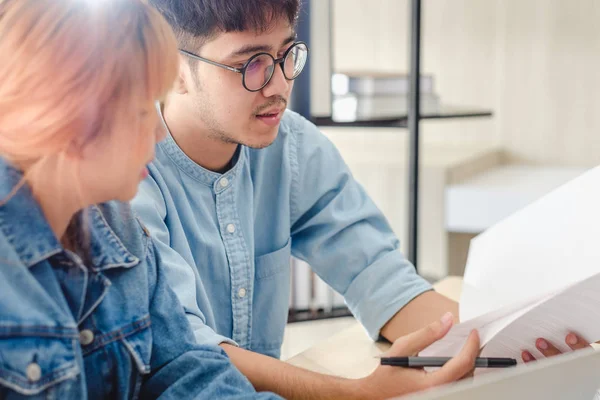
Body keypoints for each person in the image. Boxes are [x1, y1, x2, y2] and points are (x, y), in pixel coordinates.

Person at [131, 0, 589, 398]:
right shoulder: (125, 172)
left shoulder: (292, 147)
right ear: (173, 68)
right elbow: (188, 350)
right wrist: (355, 394)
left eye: (288, 53)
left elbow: (383, 281)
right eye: (251, 64)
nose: (279, 86)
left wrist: (510, 344)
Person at [0, 0, 281, 398]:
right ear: (74, 120)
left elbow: (183, 367)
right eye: (139, 113)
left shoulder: (121, 233)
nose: (158, 133)